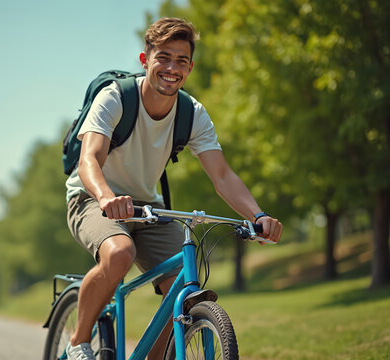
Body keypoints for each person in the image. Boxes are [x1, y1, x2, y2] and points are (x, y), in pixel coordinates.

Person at [64, 17, 283, 360]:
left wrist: (258, 215)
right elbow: (88, 159)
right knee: (119, 253)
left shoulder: (191, 113)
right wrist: (107, 198)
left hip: (148, 207)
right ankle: (78, 342)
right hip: (93, 197)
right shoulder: (116, 98)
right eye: (163, 57)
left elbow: (222, 175)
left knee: (183, 286)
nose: (172, 68)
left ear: (190, 67)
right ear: (144, 60)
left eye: (181, 60)